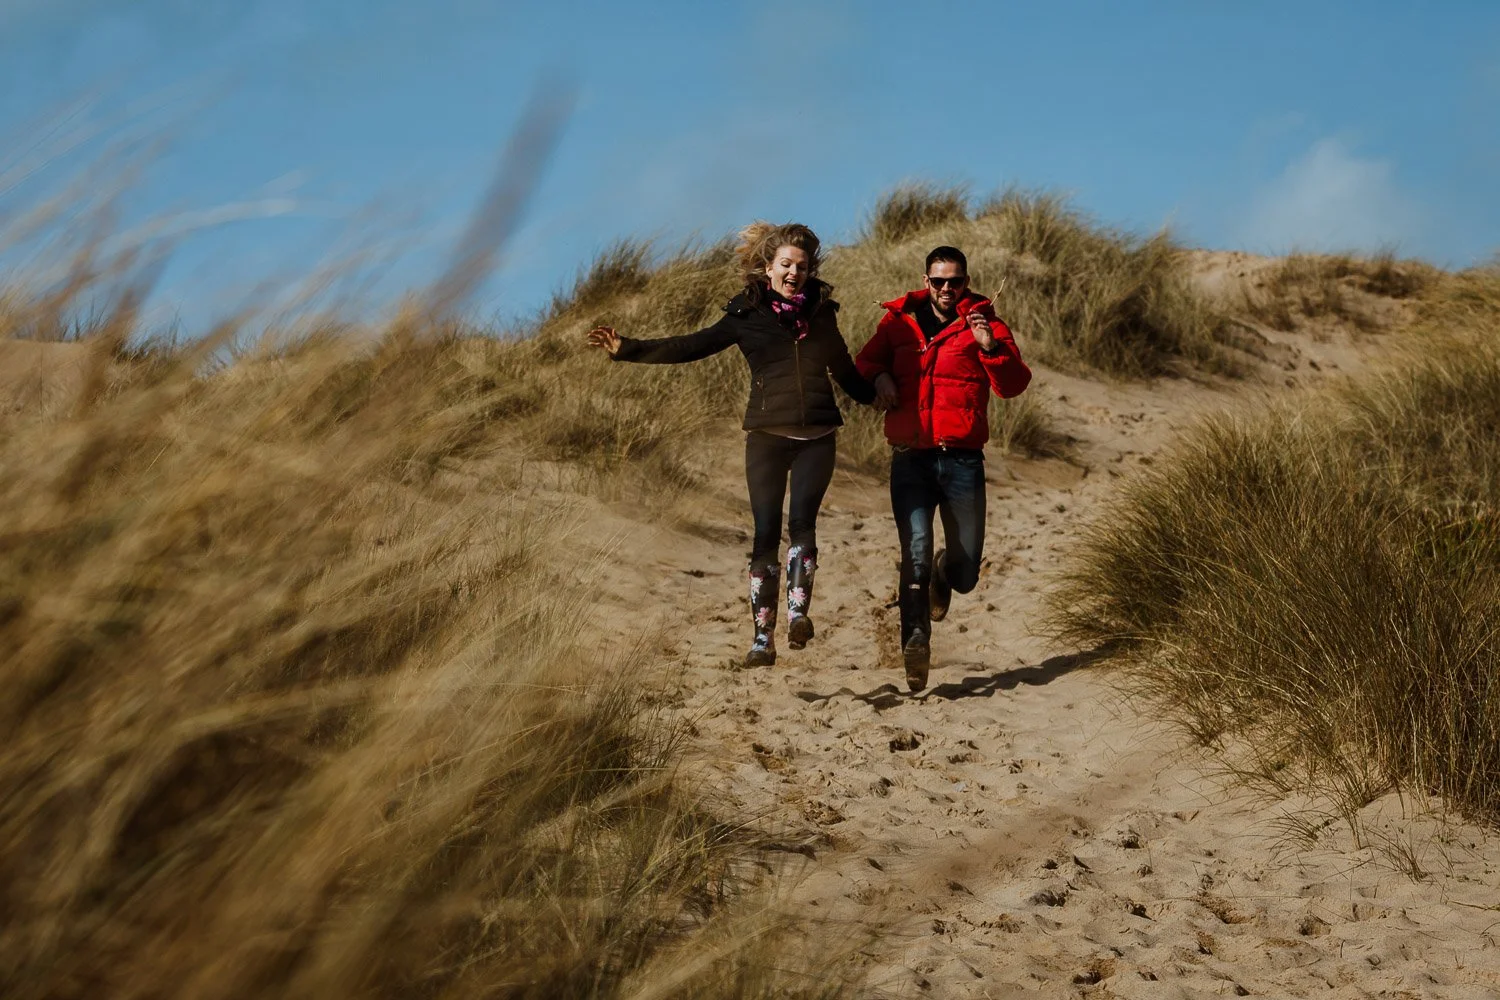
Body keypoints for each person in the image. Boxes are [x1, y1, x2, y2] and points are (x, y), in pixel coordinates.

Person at [587, 222, 881, 668]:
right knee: (765, 535)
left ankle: (798, 614)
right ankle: (763, 639)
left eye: (801, 267)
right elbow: (691, 345)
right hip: (765, 438)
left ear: (810, 271)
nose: (793, 273)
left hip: (817, 436)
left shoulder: (822, 313)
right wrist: (627, 348)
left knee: (803, 526)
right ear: (768, 268)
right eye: (785, 265)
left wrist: (879, 394)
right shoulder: (746, 315)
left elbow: (844, 370)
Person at [855, 245, 1031, 692]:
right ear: (926, 280)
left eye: (955, 281)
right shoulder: (897, 323)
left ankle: (944, 572)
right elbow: (864, 362)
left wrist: (990, 347)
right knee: (912, 552)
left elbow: (1013, 385)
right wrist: (879, 378)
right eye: (939, 281)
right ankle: (915, 643)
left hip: (963, 461)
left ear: (967, 282)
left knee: (966, 574)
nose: (947, 289)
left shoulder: (985, 324)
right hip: (910, 457)